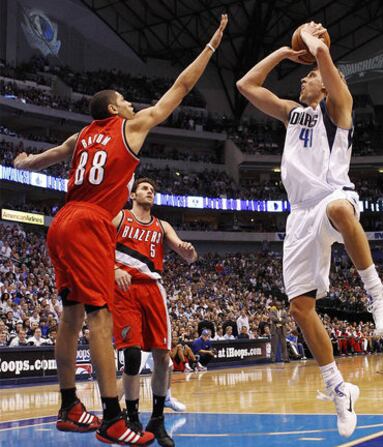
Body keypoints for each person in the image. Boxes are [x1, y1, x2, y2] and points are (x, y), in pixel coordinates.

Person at [13, 13, 227, 446]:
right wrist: (211, 46)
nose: (132, 104)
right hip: (91, 222)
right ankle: (112, 418)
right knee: (100, 318)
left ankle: (70, 405)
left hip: (62, 220)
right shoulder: (130, 127)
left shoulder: (81, 136)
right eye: (126, 100)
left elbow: (52, 154)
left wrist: (24, 163)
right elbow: (180, 88)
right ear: (114, 109)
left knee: (70, 317)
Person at [237, 21, 383, 438]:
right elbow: (245, 85)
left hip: (333, 195)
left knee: (343, 211)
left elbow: (326, 64)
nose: (305, 77)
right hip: (300, 215)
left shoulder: (338, 108)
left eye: (309, 75)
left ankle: (378, 300)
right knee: (300, 308)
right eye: (305, 74)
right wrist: (285, 53)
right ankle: (337, 388)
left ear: (324, 86)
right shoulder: (294, 114)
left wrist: (315, 45)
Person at [112, 177, 199, 447]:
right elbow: (97, 244)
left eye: (153, 190)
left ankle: (157, 420)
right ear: (133, 195)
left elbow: (186, 254)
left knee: (162, 358)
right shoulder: (120, 217)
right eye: (145, 189)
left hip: (153, 289)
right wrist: (113, 269)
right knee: (133, 354)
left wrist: (188, 252)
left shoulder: (162, 225)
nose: (150, 192)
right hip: (125, 288)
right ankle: (133, 418)